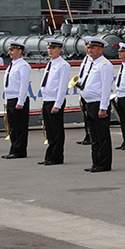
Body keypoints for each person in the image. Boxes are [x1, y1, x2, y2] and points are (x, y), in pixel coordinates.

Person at [77, 36, 114, 173]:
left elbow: (106, 88)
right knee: (94, 135)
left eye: (93, 48)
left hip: (98, 103)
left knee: (102, 135)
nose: (89, 50)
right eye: (89, 48)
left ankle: (104, 163)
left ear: (100, 49)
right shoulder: (91, 63)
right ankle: (96, 162)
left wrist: (103, 107)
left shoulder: (104, 65)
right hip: (89, 102)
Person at [38, 38, 71, 166]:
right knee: (49, 130)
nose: (50, 50)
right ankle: (50, 155)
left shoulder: (63, 65)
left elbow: (62, 86)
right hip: (47, 99)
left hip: (55, 100)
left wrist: (58, 104)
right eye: (49, 48)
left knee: (56, 130)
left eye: (53, 48)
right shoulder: (50, 64)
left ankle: (56, 156)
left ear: (60, 49)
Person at [0, 39, 32, 159]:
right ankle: (13, 148)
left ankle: (19, 150)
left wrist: (20, 101)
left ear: (20, 51)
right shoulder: (12, 65)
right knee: (12, 126)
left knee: (20, 127)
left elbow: (24, 85)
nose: (10, 52)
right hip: (10, 98)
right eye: (10, 50)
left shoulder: (23, 65)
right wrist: (6, 100)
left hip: (18, 98)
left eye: (12, 50)